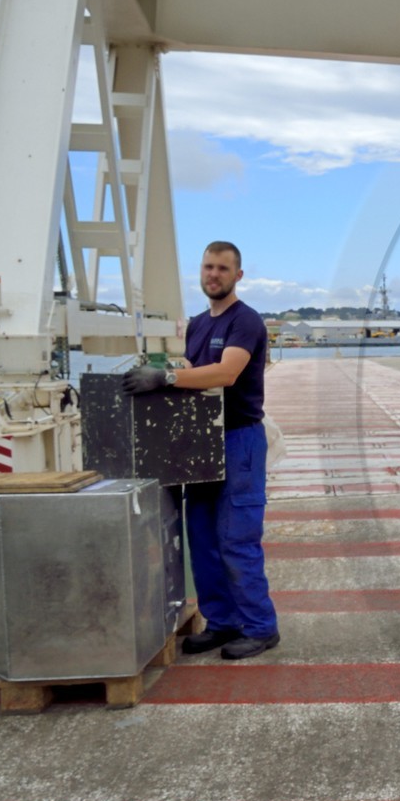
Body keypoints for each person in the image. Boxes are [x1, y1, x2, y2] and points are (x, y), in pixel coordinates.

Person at [123, 241, 280, 661]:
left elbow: (228, 373)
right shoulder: (196, 324)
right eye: (208, 267)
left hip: (239, 440)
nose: (214, 274)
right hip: (202, 442)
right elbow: (196, 370)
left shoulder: (245, 321)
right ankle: (222, 621)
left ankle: (261, 627)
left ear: (238, 275)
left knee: (237, 538)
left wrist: (167, 378)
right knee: (203, 538)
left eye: (223, 268)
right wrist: (163, 373)